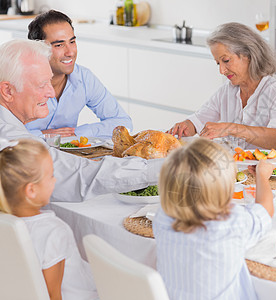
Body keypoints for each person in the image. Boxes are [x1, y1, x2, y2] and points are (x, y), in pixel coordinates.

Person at [0, 39, 163, 202]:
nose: (50, 93)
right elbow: (80, 176)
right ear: (7, 91)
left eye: (49, 81)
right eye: (42, 84)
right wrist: (166, 168)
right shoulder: (11, 141)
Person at [153, 138, 274, 299]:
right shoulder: (233, 222)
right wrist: (262, 176)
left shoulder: (162, 217)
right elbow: (266, 209)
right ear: (226, 189)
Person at [169, 22, 276, 161]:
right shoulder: (227, 92)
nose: (222, 71)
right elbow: (198, 121)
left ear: (248, 55)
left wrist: (231, 128)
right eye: (218, 63)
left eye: (226, 60)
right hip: (248, 174)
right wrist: (186, 126)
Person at [0, 138, 98, 300]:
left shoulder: (6, 224)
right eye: (51, 175)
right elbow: (53, 295)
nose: (55, 180)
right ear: (31, 190)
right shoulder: (53, 231)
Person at [25, 10, 132, 138]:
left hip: (68, 154)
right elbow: (4, 134)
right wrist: (43, 135)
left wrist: (75, 133)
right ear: (37, 49)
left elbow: (123, 122)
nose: (70, 52)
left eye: (72, 42)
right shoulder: (18, 82)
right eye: (59, 45)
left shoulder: (83, 78)